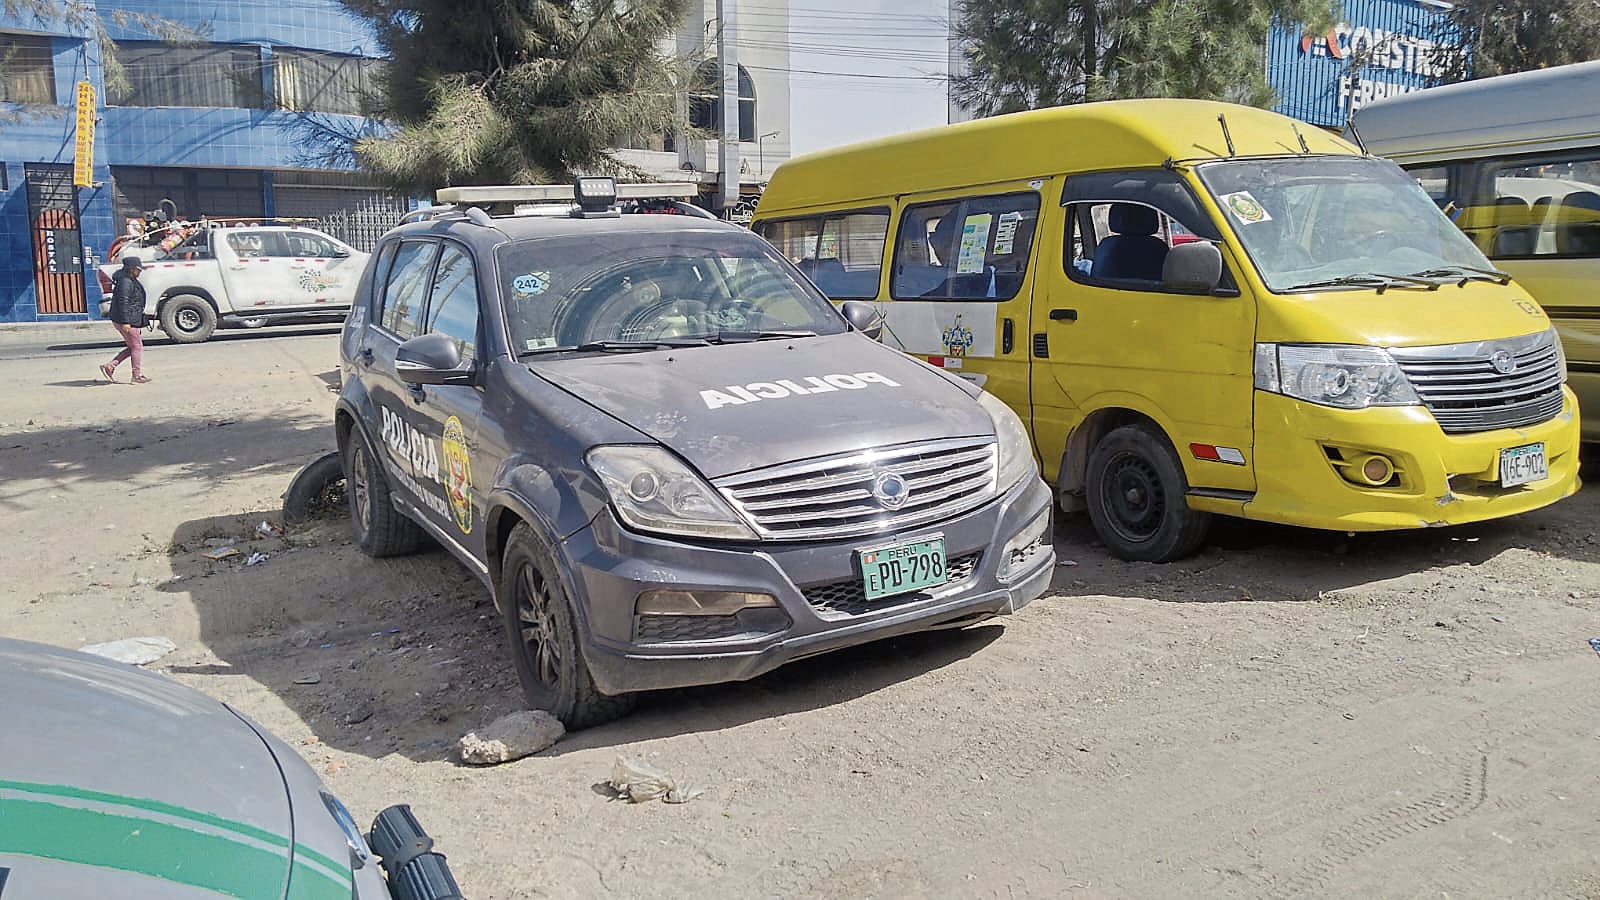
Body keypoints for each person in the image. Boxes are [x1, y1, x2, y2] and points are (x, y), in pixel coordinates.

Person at [100, 256, 151, 384]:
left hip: (129, 318)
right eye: (138, 269)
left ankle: (110, 366)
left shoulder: (129, 279)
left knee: (133, 346)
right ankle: (136, 375)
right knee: (137, 346)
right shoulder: (125, 282)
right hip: (126, 319)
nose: (139, 272)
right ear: (131, 269)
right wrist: (126, 322)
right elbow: (123, 302)